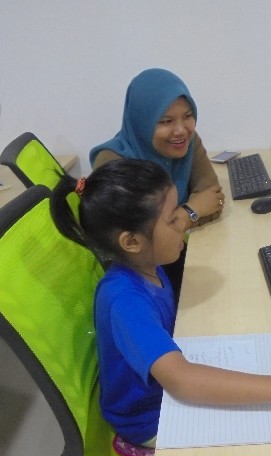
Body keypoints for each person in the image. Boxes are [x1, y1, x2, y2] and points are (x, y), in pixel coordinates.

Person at [50, 159, 271, 456]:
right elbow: (182, 381)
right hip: (147, 418)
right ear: (132, 242)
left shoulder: (145, 264)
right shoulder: (125, 301)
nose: (183, 221)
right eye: (172, 219)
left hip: (164, 386)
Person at [90, 68, 224, 304]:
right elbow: (139, 242)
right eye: (166, 121)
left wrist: (173, 223)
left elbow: (212, 198)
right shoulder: (115, 164)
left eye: (188, 116)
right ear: (142, 122)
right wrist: (189, 213)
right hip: (144, 280)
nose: (181, 129)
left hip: (175, 255)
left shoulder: (187, 142)